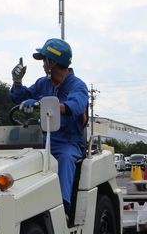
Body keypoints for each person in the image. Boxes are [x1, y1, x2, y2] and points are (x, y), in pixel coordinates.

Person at [9, 38, 88, 211]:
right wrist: (17, 83)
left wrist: (41, 102)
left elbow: (74, 106)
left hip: (68, 143)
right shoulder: (43, 83)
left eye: (44, 60)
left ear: (52, 62)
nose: (43, 65)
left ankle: (63, 208)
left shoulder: (78, 86)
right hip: (42, 141)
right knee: (20, 159)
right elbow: (18, 98)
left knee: (66, 159)